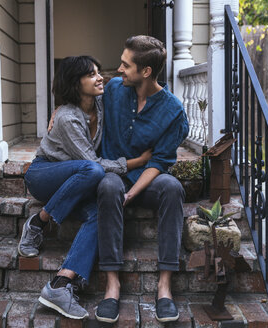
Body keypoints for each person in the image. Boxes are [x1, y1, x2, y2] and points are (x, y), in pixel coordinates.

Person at [18, 55, 152, 320]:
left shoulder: (100, 102)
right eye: (91, 74)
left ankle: (61, 283)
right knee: (93, 169)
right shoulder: (68, 117)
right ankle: (39, 221)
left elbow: (125, 82)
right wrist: (137, 162)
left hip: (77, 182)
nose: (99, 77)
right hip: (45, 174)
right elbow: (92, 163)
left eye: (98, 71)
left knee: (102, 212)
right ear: (74, 83)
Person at [94, 36, 189, 323]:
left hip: (147, 180)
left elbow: (160, 161)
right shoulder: (113, 89)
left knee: (172, 187)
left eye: (125, 65)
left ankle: (164, 286)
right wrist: (59, 111)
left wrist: (133, 192)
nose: (119, 69)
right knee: (108, 185)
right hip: (114, 172)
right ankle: (112, 284)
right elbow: (84, 101)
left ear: (146, 71)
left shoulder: (173, 111)